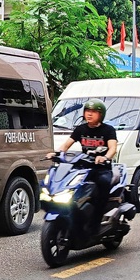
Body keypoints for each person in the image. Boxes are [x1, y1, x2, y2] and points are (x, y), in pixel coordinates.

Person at [53, 98, 117, 233]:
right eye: (87, 111)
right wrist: (55, 154)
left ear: (101, 114)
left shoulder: (108, 130)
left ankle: (95, 223)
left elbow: (112, 148)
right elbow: (65, 145)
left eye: (93, 111)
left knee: (103, 184)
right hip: (84, 167)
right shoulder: (81, 129)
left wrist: (105, 157)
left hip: (102, 169)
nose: (89, 114)